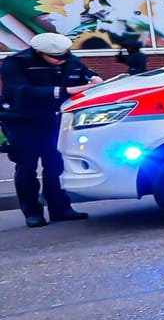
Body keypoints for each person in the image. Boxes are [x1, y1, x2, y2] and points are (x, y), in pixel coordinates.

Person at [1, 31, 94, 227]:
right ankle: (32, 212)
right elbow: (22, 91)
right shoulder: (16, 63)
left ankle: (60, 208)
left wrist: (94, 79)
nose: (61, 61)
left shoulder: (69, 59)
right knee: (27, 168)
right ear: (38, 52)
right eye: (55, 58)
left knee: (56, 166)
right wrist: (65, 91)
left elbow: (86, 74)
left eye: (64, 56)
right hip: (22, 122)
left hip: (55, 121)